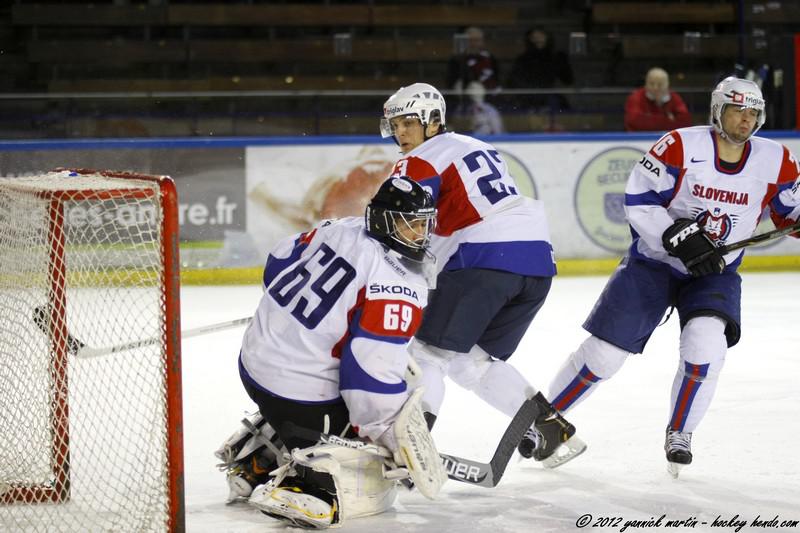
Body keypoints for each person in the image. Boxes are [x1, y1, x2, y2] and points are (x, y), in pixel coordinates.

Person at [546, 76, 800, 477]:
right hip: (654, 264)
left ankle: (680, 431)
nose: (745, 120)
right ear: (717, 111)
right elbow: (639, 200)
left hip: (715, 272)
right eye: (737, 111)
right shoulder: (680, 145)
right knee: (604, 355)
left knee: (705, 345)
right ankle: (545, 420)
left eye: (753, 113)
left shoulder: (776, 160)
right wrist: (676, 235)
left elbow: (790, 213)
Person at [217, 177, 446, 528]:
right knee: (361, 439)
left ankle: (258, 459)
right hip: (296, 392)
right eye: (409, 224)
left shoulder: (339, 227)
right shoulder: (397, 284)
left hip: (254, 363)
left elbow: (277, 260)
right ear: (383, 221)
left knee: (320, 380)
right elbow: (368, 377)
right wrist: (390, 436)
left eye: (423, 224)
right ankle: (308, 483)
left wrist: (294, 324)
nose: (420, 234)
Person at [380, 82, 586, 468]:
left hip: (484, 259)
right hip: (536, 262)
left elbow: (403, 223)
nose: (401, 133)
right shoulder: (476, 146)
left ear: (433, 121)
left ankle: (409, 453)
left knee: (427, 355)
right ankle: (549, 430)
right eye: (395, 125)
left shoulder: (418, 160)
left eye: (408, 122)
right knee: (469, 361)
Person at [506, 26, 574, 113]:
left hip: (548, 97)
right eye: (534, 37)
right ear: (530, 40)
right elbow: (512, 81)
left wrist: (562, 62)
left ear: (547, 37)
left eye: (541, 36)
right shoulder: (523, 59)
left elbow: (568, 80)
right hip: (528, 98)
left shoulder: (556, 57)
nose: (538, 40)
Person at [446, 27, 500, 108]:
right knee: (475, 88)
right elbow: (453, 81)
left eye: (477, 40)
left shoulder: (490, 58)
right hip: (466, 96)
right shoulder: (457, 59)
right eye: (471, 40)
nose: (474, 44)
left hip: (490, 95)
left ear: (482, 42)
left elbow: (496, 78)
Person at [624, 67, 692, 132]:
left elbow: (686, 122)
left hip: (669, 139)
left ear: (667, 85)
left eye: (660, 84)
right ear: (646, 84)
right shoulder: (636, 97)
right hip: (640, 138)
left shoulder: (675, 97)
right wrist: (668, 120)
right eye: (651, 84)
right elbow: (634, 121)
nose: (655, 88)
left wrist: (648, 119)